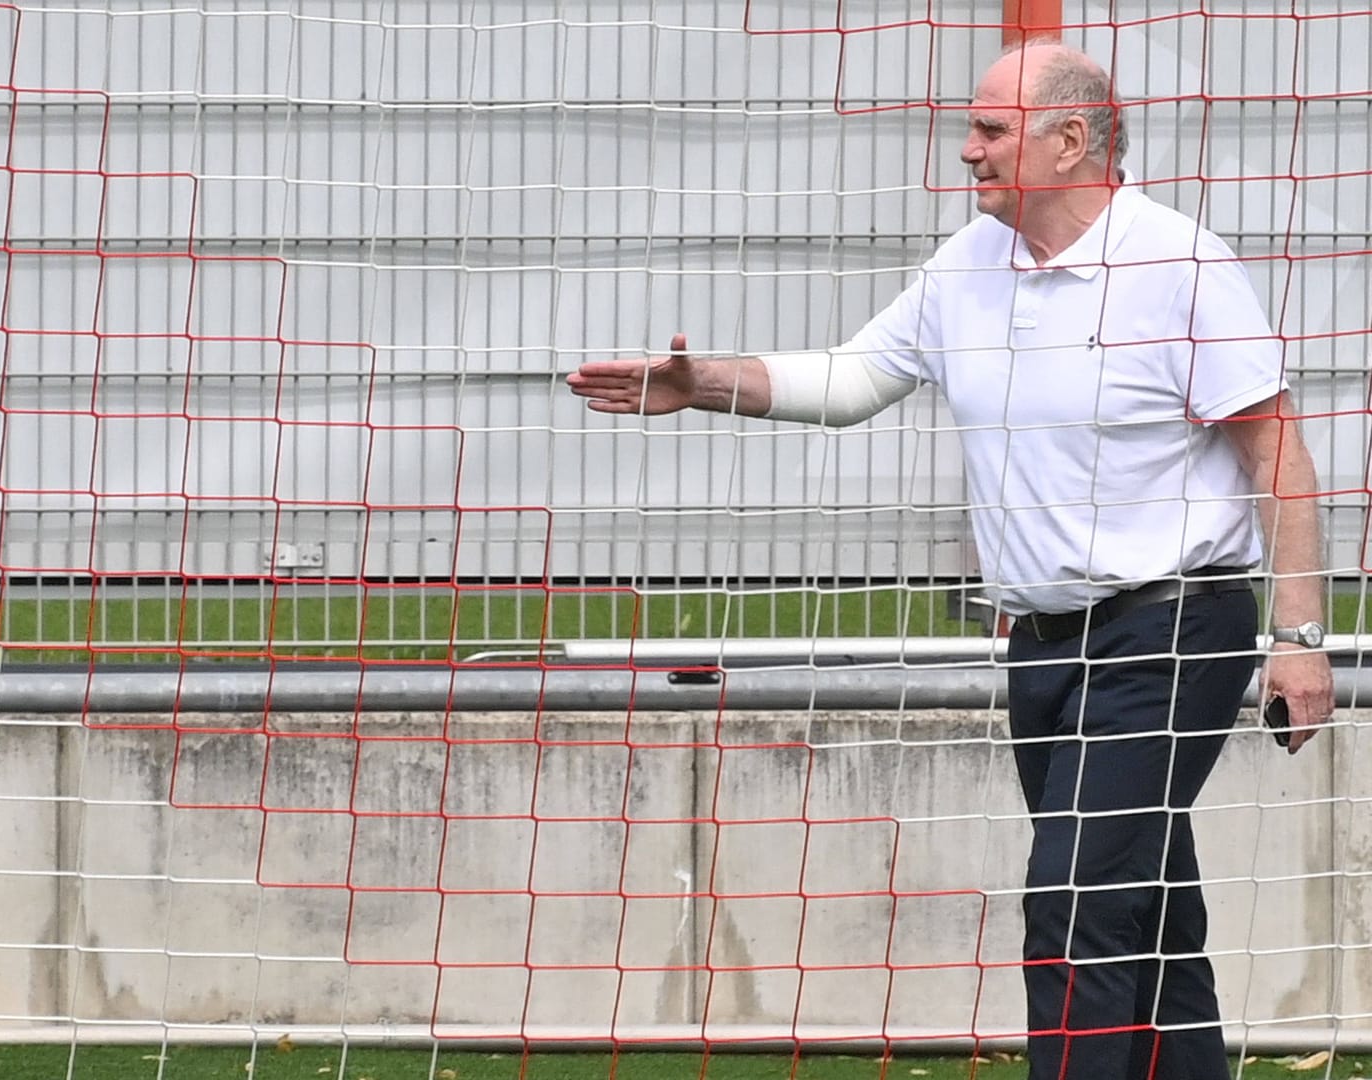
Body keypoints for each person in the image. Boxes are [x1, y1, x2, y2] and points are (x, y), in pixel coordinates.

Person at [568, 42, 1332, 1080]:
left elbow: (1278, 455)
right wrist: (701, 383)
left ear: (1071, 140)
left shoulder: (1180, 265)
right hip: (1046, 645)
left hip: (1177, 626)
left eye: (990, 130)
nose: (966, 151)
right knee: (1143, 902)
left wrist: (1298, 640)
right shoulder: (965, 264)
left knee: (1072, 904)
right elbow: (848, 380)